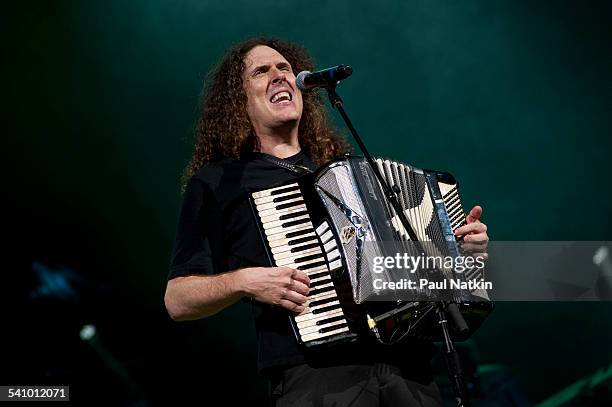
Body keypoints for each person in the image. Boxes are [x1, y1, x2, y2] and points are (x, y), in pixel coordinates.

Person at [164, 37, 489, 407]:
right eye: (261, 71)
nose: (279, 76)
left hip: (407, 367)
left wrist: (458, 249)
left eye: (284, 68)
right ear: (237, 100)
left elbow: (408, 266)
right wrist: (244, 281)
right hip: (317, 377)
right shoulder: (220, 181)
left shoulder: (347, 175)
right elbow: (178, 300)